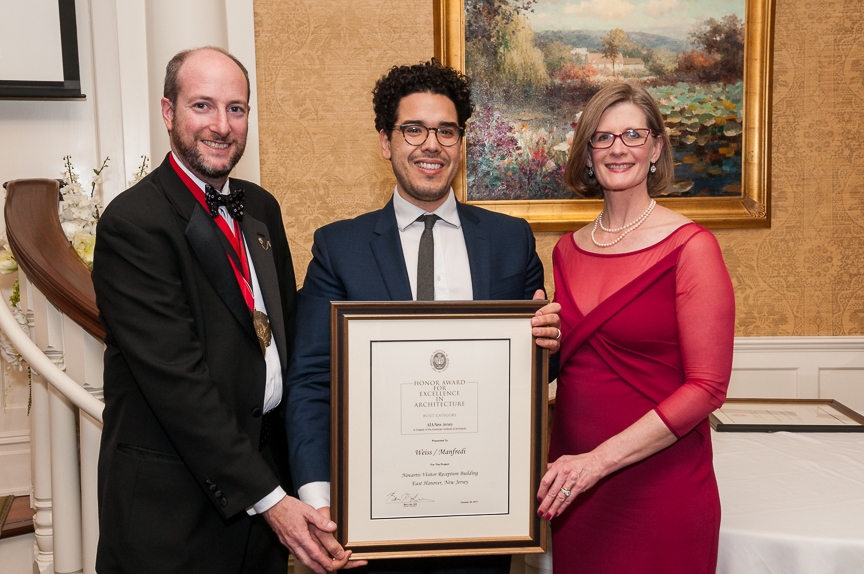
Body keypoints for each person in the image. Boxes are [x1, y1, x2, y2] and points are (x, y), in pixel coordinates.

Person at [285, 60, 561, 574]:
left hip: (480, 521)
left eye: (446, 131)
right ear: (385, 142)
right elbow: (311, 382)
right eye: (413, 129)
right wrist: (319, 501)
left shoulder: (510, 241)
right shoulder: (340, 248)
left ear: (460, 143)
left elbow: (534, 372)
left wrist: (550, 342)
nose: (430, 145)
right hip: (372, 523)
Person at [92, 47, 352, 574]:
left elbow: (289, 343)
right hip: (174, 517)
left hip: (263, 504)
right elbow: (178, 386)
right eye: (202, 106)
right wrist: (272, 500)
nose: (221, 125)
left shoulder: (261, 207)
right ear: (168, 112)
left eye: (236, 109)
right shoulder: (133, 223)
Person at [534, 81, 735, 573]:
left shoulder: (692, 247)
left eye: (633, 135)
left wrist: (597, 461)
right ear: (587, 153)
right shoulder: (566, 250)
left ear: (656, 148)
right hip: (574, 488)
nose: (617, 148)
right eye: (602, 137)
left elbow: (708, 388)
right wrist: (539, 342)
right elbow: (576, 361)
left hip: (659, 486)